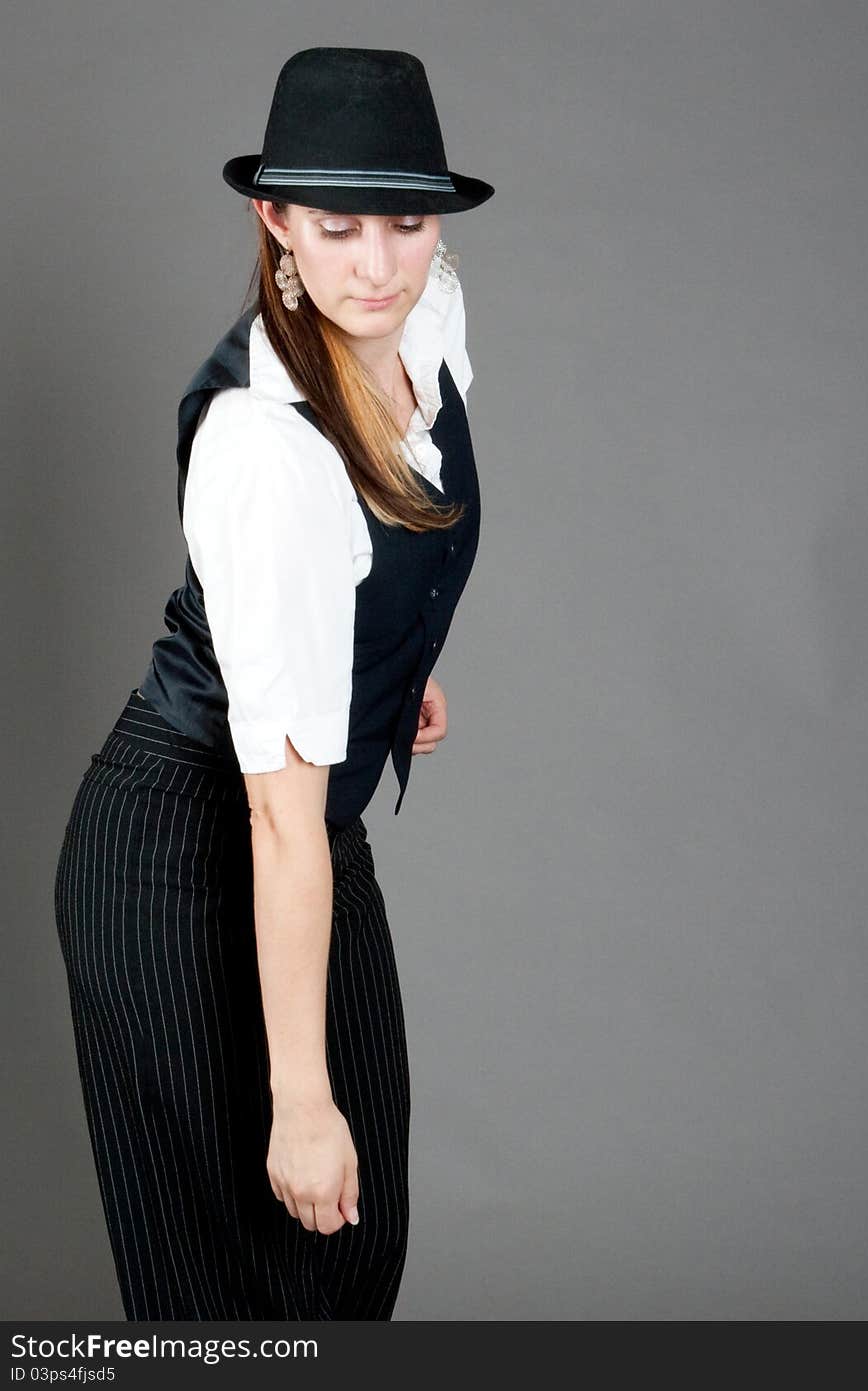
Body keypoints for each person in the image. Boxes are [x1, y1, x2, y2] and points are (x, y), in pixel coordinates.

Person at [52, 47, 494, 1321]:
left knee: (354, 1252)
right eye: (335, 225)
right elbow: (274, 817)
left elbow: (396, 531)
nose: (376, 262)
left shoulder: (428, 311)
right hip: (184, 843)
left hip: (299, 825)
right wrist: (297, 1101)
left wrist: (393, 665)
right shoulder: (264, 445)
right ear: (275, 223)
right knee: (244, 1286)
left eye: (405, 221)